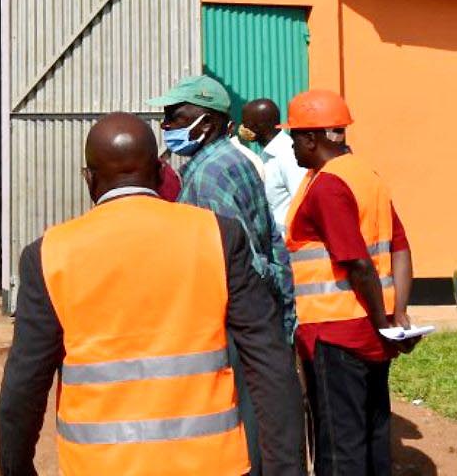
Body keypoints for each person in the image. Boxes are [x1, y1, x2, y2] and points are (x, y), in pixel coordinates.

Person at [0, 112, 303, 475]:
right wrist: (286, 469)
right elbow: (270, 364)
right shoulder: (217, 236)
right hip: (209, 464)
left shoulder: (49, 254)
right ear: (160, 173)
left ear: (88, 179)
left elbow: (23, 389)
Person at [150, 75, 295, 474]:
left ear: (208, 123)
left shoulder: (210, 174)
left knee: (238, 437)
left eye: (177, 118)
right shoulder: (225, 162)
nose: (167, 127)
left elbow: (234, 262)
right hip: (249, 323)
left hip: (229, 325)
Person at [281, 89, 417, 476]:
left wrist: (382, 320)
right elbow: (401, 248)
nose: (291, 146)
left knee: (339, 446)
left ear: (312, 138)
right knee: (374, 431)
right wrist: (397, 315)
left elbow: (357, 262)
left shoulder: (328, 185)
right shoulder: (367, 176)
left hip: (335, 334)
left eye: (294, 138)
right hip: (372, 332)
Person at [240, 98, 308, 235]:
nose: (242, 128)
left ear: (258, 126)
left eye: (246, 123)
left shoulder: (288, 154)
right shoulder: (267, 155)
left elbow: (302, 203)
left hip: (288, 246)